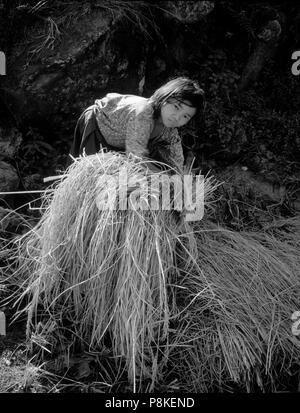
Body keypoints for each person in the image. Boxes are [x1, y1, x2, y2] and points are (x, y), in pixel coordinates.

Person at [69, 77, 205, 173]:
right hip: (98, 125)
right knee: (90, 175)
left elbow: (177, 164)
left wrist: (180, 178)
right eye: (176, 107)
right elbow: (136, 159)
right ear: (164, 98)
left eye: (185, 116)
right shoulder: (144, 112)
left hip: (122, 142)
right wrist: (165, 177)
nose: (177, 117)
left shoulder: (170, 131)